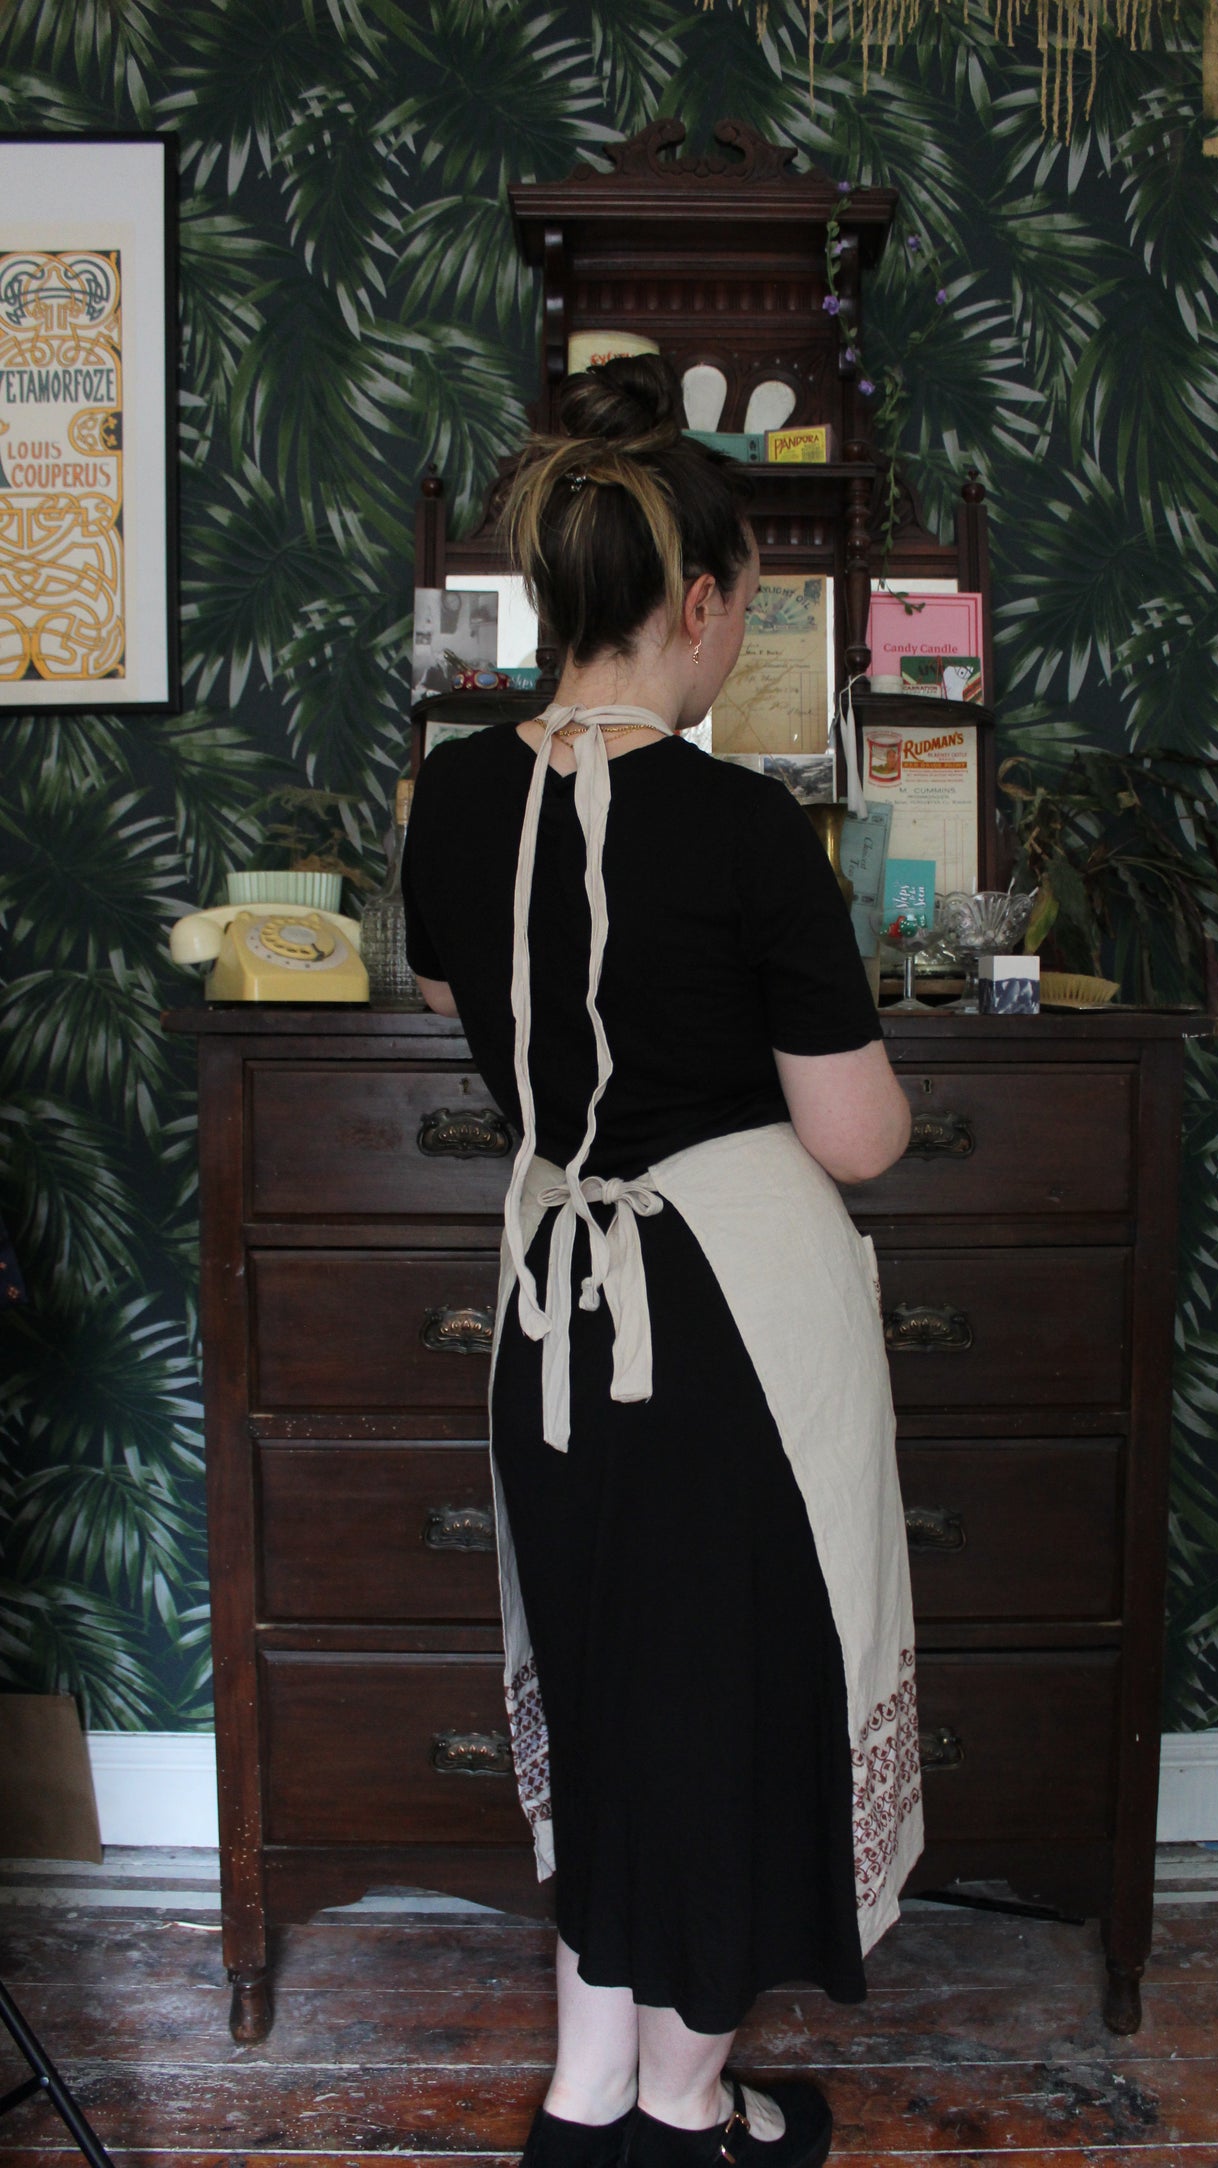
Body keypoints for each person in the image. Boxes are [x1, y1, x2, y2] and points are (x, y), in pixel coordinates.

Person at [401, 353, 921, 2168]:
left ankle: (587, 2097)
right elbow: (856, 1139)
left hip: (548, 1306)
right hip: (723, 1331)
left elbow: (470, 998)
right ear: (694, 608)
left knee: (614, 1691)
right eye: (743, 616)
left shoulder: (448, 801)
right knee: (727, 1709)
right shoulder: (744, 828)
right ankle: (691, 2105)